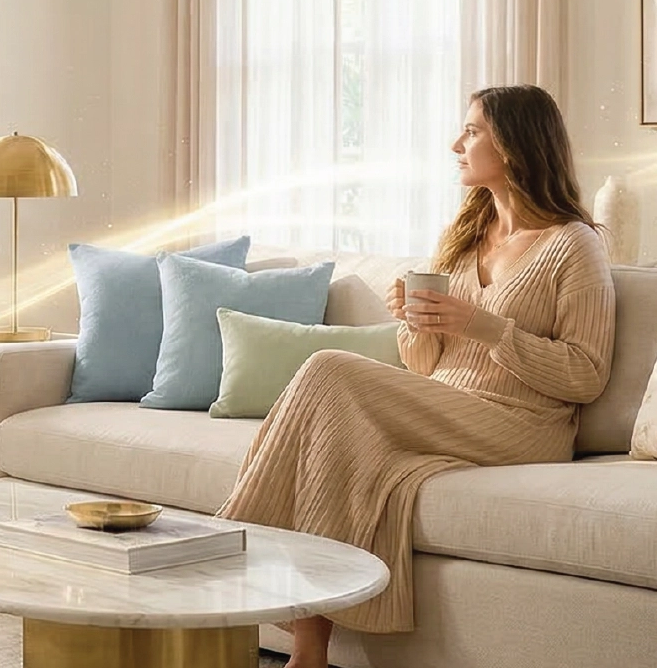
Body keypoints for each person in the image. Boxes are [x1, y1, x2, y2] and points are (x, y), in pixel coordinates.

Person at [215, 84, 615, 666]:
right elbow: (423, 364)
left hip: (525, 425)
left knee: (330, 371)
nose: (457, 143)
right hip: (448, 406)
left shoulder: (574, 246)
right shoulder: (461, 239)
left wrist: (484, 326)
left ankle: (222, 558)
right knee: (340, 447)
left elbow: (586, 375)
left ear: (512, 146)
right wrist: (414, 320)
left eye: (472, 131)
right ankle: (309, 651)